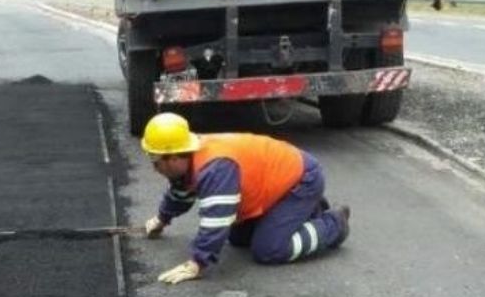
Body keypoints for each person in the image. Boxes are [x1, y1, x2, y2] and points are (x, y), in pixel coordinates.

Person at [142, 112, 350, 285]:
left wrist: (198, 261)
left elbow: (217, 219)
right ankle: (307, 209)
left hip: (302, 180)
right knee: (238, 238)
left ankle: (333, 223)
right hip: (278, 183)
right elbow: (180, 192)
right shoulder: (189, 158)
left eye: (155, 160)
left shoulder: (216, 168)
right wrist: (162, 219)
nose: (154, 168)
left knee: (269, 249)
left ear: (175, 157)